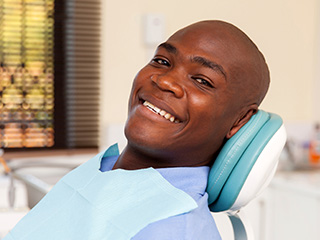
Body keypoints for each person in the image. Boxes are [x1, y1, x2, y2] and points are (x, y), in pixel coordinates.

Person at [5, 20, 270, 240]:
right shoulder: (103, 170)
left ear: (240, 120)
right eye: (163, 61)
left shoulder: (173, 229)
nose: (165, 81)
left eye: (202, 80)